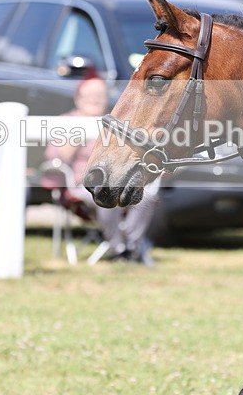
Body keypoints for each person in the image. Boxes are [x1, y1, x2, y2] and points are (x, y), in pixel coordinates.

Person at [45, 73, 159, 266]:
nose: (95, 99)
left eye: (100, 95)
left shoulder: (117, 121)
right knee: (105, 193)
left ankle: (132, 247)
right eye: (89, 95)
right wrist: (79, 132)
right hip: (82, 185)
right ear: (78, 98)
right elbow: (57, 158)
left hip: (119, 179)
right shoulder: (66, 121)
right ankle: (118, 249)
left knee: (147, 195)